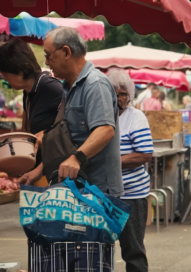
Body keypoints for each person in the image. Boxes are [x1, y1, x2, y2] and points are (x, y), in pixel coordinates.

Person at [42, 26, 123, 196]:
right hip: (78, 187)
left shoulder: (94, 84)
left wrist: (76, 158)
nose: (46, 62)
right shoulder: (69, 87)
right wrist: (37, 171)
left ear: (66, 52)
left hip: (98, 190)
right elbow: (67, 142)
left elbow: (105, 130)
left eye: (48, 55)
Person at [0, 38, 64, 185]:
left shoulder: (49, 87)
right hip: (37, 171)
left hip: (54, 171)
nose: (3, 77)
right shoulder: (28, 91)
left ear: (21, 70)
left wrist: (49, 133)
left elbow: (75, 121)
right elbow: (26, 134)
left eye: (5, 72)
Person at [107, 68, 152, 272]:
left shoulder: (136, 117)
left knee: (132, 250)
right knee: (100, 246)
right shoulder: (100, 116)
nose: (118, 98)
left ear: (130, 96)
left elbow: (144, 155)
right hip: (103, 192)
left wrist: (109, 162)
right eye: (113, 92)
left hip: (131, 194)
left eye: (122, 93)